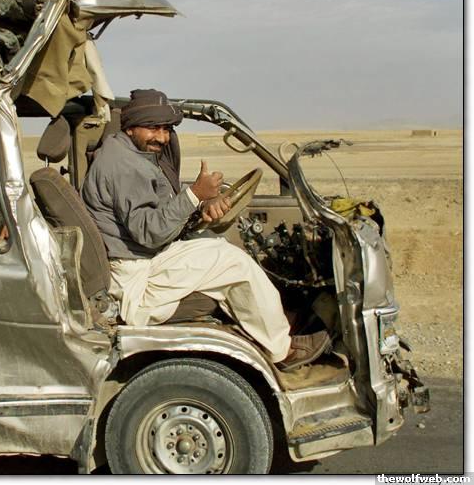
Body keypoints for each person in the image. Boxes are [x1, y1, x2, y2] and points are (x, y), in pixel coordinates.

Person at [81, 89, 330, 371]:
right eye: (153, 128)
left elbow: (157, 210)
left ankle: (276, 323)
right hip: (137, 276)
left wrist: (201, 206)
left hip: (145, 259)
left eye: (166, 129)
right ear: (131, 127)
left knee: (218, 246)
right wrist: (194, 195)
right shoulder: (124, 166)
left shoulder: (129, 154)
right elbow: (149, 233)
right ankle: (283, 352)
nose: (162, 138)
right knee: (233, 262)